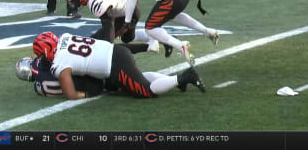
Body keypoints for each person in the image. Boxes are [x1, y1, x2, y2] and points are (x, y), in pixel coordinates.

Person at [32, 31, 206, 99]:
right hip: (116, 51)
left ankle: (185, 77)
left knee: (147, 91)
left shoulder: (59, 63)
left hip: (114, 66)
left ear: (46, 52)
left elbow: (70, 94)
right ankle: (178, 82)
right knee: (139, 79)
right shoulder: (65, 36)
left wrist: (88, 93)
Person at [65, 0, 172, 56]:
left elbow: (109, 27)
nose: (74, 3)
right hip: (127, 4)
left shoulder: (96, 2)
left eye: (74, 0)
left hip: (128, 12)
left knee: (104, 45)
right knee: (126, 38)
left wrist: (108, 45)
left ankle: (151, 46)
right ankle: (163, 38)